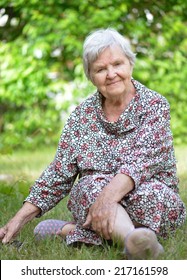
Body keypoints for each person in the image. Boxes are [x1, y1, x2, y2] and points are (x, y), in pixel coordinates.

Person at [0, 28, 186, 259]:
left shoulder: (155, 105)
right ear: (90, 76)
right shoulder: (81, 116)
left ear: (130, 64)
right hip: (95, 198)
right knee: (87, 186)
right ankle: (136, 242)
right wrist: (18, 219)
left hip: (149, 199)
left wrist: (106, 201)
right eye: (100, 69)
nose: (111, 74)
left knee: (150, 193)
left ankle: (72, 231)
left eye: (117, 64)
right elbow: (59, 173)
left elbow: (140, 163)